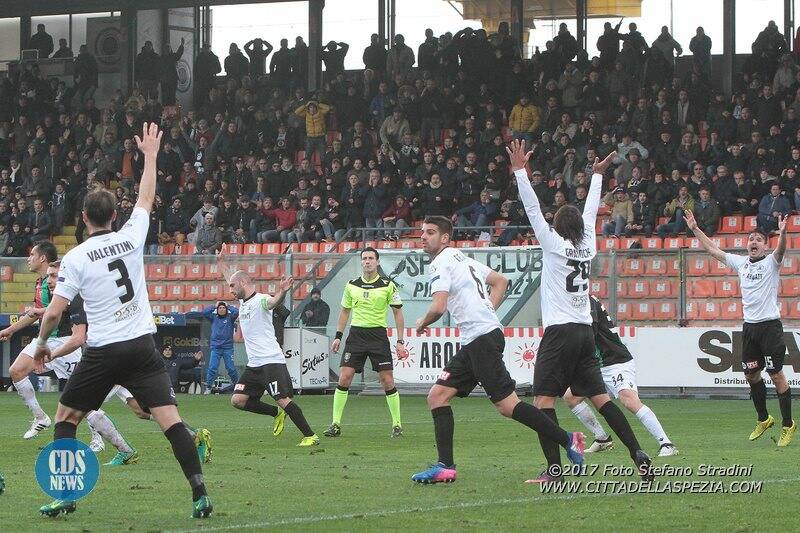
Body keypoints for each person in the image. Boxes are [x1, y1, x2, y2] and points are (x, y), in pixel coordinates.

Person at [32, 123, 212, 518]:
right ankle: (200, 494)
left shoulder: (76, 257)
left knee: (65, 418)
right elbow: (146, 198)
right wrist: (150, 156)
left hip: (105, 350)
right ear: (116, 214)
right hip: (143, 346)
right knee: (170, 422)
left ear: (83, 218)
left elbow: (55, 311)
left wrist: (42, 343)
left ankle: (66, 495)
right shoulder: (131, 236)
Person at [508, 139, 653, 482]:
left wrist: (519, 171)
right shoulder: (588, 246)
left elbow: (532, 208)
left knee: (544, 401)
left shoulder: (553, 245)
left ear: (557, 226)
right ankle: (637, 452)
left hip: (559, 333)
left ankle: (555, 468)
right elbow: (590, 214)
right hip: (586, 333)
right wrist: (598, 177)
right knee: (602, 398)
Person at [410, 216, 584, 484]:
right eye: (422, 232)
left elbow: (438, 306)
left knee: (508, 406)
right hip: (477, 338)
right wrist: (489, 311)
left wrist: (422, 322)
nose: (423, 236)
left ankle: (568, 439)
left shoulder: (442, 262)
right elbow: (501, 281)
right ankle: (445, 466)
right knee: (438, 395)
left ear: (445, 238)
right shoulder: (461, 258)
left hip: (481, 339)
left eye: (430, 232)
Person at [685, 210, 795, 446]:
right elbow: (713, 250)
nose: (753, 242)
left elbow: (782, 250)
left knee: (776, 375)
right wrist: (695, 228)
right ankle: (764, 419)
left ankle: (788, 425)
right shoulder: (741, 263)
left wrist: (783, 233)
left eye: (758, 240)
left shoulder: (771, 263)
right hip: (750, 328)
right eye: (750, 239)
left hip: (770, 327)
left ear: (765, 246)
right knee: (751, 374)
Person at [32, 261, 141, 465]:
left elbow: (77, 338)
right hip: (119, 354)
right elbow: (56, 310)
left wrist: (50, 354)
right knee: (141, 410)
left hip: (106, 359)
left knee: (80, 408)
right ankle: (193, 436)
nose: (50, 281)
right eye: (48, 277)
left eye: (55, 276)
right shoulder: (82, 294)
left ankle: (122, 450)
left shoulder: (77, 298)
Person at [216, 245, 320, 446]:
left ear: (244, 282)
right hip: (254, 364)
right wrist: (221, 262)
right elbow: (232, 276)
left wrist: (281, 291)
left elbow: (272, 303)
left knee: (283, 399)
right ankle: (276, 414)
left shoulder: (260, 300)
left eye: (232, 286)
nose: (229, 290)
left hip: (271, 361)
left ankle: (310, 435)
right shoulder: (243, 302)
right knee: (238, 400)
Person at [564, 296, 678, 456]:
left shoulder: (584, 300)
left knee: (629, 400)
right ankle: (602, 439)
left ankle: (666, 443)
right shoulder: (578, 298)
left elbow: (588, 332)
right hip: (596, 363)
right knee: (571, 397)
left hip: (614, 360)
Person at [326, 247, 408, 438]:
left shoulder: (388, 285)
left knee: (387, 381)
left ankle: (397, 424)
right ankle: (335, 424)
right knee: (344, 377)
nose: (368, 261)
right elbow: (345, 311)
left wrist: (400, 341)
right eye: (364, 258)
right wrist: (338, 336)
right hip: (356, 336)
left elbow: (397, 312)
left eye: (371, 258)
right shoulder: (351, 285)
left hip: (378, 336)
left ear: (377, 262)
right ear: (361, 262)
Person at [1, 240, 59, 438]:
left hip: (65, 340)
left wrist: (39, 311)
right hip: (45, 339)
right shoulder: (40, 283)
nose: (28, 258)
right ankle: (40, 417)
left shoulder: (59, 280)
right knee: (16, 371)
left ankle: (97, 437)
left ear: (42, 258)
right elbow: (35, 314)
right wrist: (10, 330)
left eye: (32, 255)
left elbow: (63, 308)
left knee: (81, 396)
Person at [185, 301, 240, 394]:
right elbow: (205, 312)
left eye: (223, 308)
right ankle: (209, 387)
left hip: (228, 348)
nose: (221, 309)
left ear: (226, 309)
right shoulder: (214, 318)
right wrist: (214, 306)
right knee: (212, 368)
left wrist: (228, 306)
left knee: (230, 368)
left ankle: (237, 386)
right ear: (217, 310)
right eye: (220, 308)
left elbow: (236, 312)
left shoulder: (230, 318)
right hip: (216, 348)